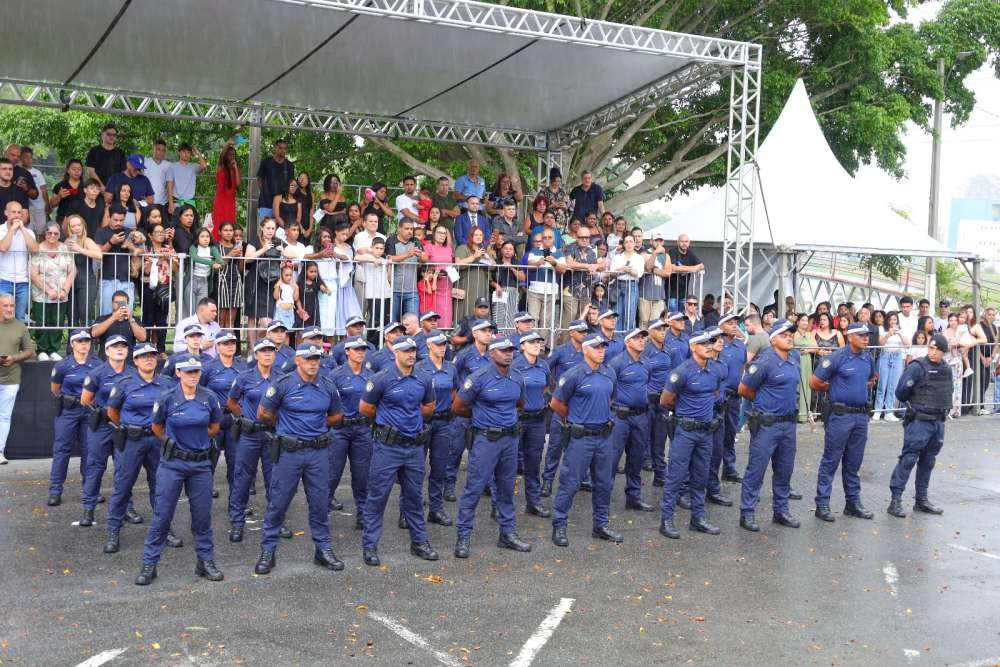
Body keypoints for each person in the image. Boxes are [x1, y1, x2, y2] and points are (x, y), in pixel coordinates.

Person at [253, 342, 345, 575]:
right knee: (278, 502)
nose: (313, 363)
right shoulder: (283, 384)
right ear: (297, 361)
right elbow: (263, 414)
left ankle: (322, 549)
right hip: (289, 452)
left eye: (316, 359)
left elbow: (336, 416)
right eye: (308, 359)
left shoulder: (327, 385)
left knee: (320, 503)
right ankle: (268, 550)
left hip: (318, 452)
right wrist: (288, 428)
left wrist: (313, 427)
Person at [135, 355, 223, 586]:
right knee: (162, 516)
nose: (193, 375)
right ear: (178, 373)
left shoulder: (209, 398)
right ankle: (149, 564)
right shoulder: (167, 398)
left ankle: (205, 561)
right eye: (188, 371)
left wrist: (197, 442)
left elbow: (214, 427)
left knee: (202, 517)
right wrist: (171, 442)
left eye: (196, 371)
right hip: (172, 464)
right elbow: (156, 426)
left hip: (201, 465)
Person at [358, 336, 439, 566]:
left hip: (413, 446)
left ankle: (419, 542)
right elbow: (365, 408)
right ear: (395, 352)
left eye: (413, 350)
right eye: (405, 350)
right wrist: (389, 424)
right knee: (377, 497)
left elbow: (429, 407)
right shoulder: (381, 378)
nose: (411, 354)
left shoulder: (423, 377)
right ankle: (370, 546)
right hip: (388, 447)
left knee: (414, 497)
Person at [451, 336, 530, 558]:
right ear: (492, 353)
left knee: (506, 489)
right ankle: (463, 537)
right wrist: (481, 416)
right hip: (486, 440)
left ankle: (507, 534)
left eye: (511, 350)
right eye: (503, 350)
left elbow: (519, 404)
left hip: (510, 440)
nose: (509, 353)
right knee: (474, 489)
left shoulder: (517, 377)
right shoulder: (478, 378)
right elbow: (458, 407)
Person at [103, 343, 179, 554]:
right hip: (132, 441)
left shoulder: (166, 383)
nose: (149, 359)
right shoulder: (124, 383)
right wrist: (131, 427)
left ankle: (164, 531)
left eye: (152, 356)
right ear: (135, 361)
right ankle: (113, 532)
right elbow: (112, 412)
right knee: (123, 486)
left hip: (157, 441)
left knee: (161, 488)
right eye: (144, 356)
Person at [548, 332, 620, 547]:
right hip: (581, 438)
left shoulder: (609, 373)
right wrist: (576, 418)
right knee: (570, 483)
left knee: (604, 483)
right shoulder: (574, 374)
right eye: (597, 347)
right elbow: (556, 404)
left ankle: (601, 525)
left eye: (603, 347)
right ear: (586, 349)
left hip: (604, 437)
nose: (601, 351)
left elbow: (610, 398)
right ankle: (559, 526)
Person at [656, 330, 723, 538]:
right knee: (675, 476)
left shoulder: (715, 371)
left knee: (701, 476)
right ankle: (666, 520)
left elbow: (714, 393)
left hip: (705, 431)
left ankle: (698, 518)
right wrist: (686, 410)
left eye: (711, 343)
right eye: (704, 344)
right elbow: (665, 400)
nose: (710, 347)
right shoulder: (682, 371)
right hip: (685, 430)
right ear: (693, 347)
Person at [737, 320, 801, 532]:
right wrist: (765, 402)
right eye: (784, 334)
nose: (789, 337)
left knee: (784, 470)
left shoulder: (795, 358)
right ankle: (747, 513)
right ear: (773, 339)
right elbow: (744, 389)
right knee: (756, 470)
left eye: (791, 334)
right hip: (767, 424)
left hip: (788, 425)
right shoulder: (763, 361)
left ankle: (781, 511)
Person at [810, 322, 877, 522]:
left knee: (853, 462)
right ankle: (822, 504)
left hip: (860, 416)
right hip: (840, 415)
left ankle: (852, 503)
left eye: (867, 335)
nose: (866, 338)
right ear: (850, 336)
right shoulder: (837, 357)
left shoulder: (867, 357)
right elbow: (814, 382)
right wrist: (835, 388)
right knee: (831, 460)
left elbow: (872, 379)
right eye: (862, 335)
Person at [887, 334, 953, 518]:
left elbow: (949, 392)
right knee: (908, 459)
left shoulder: (946, 369)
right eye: (931, 348)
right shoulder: (917, 367)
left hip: (938, 421)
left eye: (937, 349)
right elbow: (901, 392)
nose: (933, 352)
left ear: (943, 352)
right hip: (919, 421)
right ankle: (895, 501)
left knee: (928, 461)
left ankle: (921, 500)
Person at [226, 338, 283, 542]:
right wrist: (244, 417)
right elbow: (231, 401)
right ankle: (237, 523)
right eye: (263, 351)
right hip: (249, 434)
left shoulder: (282, 378)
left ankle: (276, 522)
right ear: (256, 354)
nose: (268, 354)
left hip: (272, 434)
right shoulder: (244, 377)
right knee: (242, 479)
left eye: (271, 351)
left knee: (274, 479)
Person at [77, 334, 134, 524]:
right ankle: (88, 509)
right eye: (115, 346)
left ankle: (127, 507)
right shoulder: (97, 373)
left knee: (124, 469)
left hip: (123, 426)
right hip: (101, 427)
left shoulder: (134, 373)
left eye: (123, 347)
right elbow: (85, 400)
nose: (120, 349)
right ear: (107, 351)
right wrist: (102, 412)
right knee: (95, 467)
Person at [49, 331, 102, 502]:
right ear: (72, 344)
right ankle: (55, 491)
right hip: (68, 411)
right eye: (79, 341)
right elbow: (55, 389)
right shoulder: (62, 365)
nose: (84, 344)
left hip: (89, 411)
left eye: (86, 341)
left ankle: (90, 489)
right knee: (62, 450)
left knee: (90, 451)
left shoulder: (97, 364)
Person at [327, 336, 375, 526]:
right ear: (347, 351)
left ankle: (362, 513)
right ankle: (322, 511)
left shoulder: (371, 375)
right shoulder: (335, 375)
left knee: (362, 474)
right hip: (340, 429)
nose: (360, 352)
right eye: (356, 349)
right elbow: (327, 402)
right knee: (332, 472)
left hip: (362, 428)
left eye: (363, 349)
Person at [607, 327, 654, 512]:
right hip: (620, 416)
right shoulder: (617, 363)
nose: (642, 340)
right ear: (628, 342)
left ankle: (634, 497)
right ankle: (604, 497)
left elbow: (646, 383)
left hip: (641, 416)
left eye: (643, 338)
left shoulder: (647, 363)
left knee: (636, 458)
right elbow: (608, 389)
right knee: (612, 458)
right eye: (637, 338)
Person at [510, 331, 552, 517]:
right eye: (532, 342)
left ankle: (533, 502)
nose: (537, 345)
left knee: (533, 463)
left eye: (538, 342)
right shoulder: (515, 366)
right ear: (522, 346)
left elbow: (546, 386)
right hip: (518, 419)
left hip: (537, 420)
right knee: (509, 464)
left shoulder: (543, 365)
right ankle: (500, 504)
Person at [199, 331, 242, 492]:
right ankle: (203, 495)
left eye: (232, 343)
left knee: (236, 461)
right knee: (209, 460)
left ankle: (237, 500)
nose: (230, 346)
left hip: (234, 419)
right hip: (214, 419)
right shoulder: (208, 368)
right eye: (225, 343)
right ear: (217, 346)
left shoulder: (242, 366)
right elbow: (199, 392)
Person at [29, 222, 75, 358]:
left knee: (58, 321)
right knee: (42, 320)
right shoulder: (38, 249)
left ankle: (53, 349)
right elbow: (33, 274)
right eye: (49, 233)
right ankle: (42, 350)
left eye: (56, 233)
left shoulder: (64, 248)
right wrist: (48, 290)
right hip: (41, 293)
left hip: (61, 294)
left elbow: (72, 271)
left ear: (60, 235)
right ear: (45, 233)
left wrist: (65, 290)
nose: (52, 235)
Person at [243, 218, 282, 345]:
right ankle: (252, 349)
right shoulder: (254, 241)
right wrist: (264, 249)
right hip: (255, 282)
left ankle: (259, 345)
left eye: (273, 228)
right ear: (261, 228)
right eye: (268, 228)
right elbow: (247, 259)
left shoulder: (277, 242)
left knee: (267, 322)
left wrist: (284, 252)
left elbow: (293, 254)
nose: (271, 231)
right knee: (252, 317)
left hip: (271, 284)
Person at [560, 225, 603, 334]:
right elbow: (570, 263)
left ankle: (581, 347)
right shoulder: (570, 246)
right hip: (570, 291)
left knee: (583, 323)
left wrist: (595, 267)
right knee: (569, 322)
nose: (584, 239)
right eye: (581, 237)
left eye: (587, 237)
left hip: (586, 291)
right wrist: (589, 266)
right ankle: (566, 347)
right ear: (577, 237)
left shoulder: (593, 249)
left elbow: (603, 264)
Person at [0, 200, 38, 321]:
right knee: (3, 317)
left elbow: (34, 249)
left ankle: (19, 340)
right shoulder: (0, 230)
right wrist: (12, 230)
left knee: (20, 317)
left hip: (23, 282)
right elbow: (3, 247)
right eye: (13, 212)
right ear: (6, 213)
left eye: (19, 212)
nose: (17, 215)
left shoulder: (28, 232)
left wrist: (22, 229)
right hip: (3, 280)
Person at [525, 229, 564, 344]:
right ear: (541, 239)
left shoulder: (559, 253)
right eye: (545, 237)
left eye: (549, 237)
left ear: (554, 239)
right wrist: (538, 263)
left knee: (545, 321)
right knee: (532, 318)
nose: (547, 239)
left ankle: (540, 346)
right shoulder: (534, 250)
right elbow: (529, 265)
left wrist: (554, 263)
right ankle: (532, 343)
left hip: (551, 292)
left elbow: (563, 269)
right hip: (534, 291)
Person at [385, 220, 425, 322]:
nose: (410, 231)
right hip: (394, 290)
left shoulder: (416, 241)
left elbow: (425, 259)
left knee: (413, 323)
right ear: (399, 229)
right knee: (393, 324)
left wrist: (421, 255)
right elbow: (390, 259)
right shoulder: (391, 240)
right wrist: (408, 254)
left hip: (412, 291)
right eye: (407, 229)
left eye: (411, 229)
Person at [90, 290, 147, 359]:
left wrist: (131, 319)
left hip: (128, 363)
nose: (119, 305)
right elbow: (94, 333)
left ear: (127, 304)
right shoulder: (102, 318)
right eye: (116, 302)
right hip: (106, 362)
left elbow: (143, 338)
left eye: (122, 303)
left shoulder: (134, 320)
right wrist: (113, 318)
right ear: (112, 303)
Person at [453, 227, 493, 322]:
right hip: (467, 284)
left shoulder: (484, 251)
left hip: (481, 285)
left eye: (481, 235)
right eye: (476, 235)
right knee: (466, 309)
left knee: (480, 309)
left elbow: (493, 266)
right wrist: (474, 256)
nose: (479, 237)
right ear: (471, 236)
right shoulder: (463, 248)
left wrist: (488, 258)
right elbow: (458, 264)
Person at [873, 310, 905, 422]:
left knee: (893, 386)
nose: (893, 321)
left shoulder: (901, 329)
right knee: (882, 385)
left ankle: (889, 411)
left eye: (895, 319)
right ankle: (877, 410)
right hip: (885, 356)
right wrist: (888, 334)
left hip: (897, 357)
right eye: (890, 319)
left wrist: (899, 333)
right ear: (887, 320)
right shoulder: (882, 329)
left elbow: (907, 343)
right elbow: (880, 343)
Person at [610, 236, 643, 331]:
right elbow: (612, 273)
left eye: (631, 241)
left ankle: (628, 340)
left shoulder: (639, 258)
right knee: (617, 314)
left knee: (630, 315)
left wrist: (629, 271)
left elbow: (639, 273)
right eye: (627, 242)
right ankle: (617, 339)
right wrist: (622, 269)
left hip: (632, 285)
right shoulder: (617, 257)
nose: (629, 244)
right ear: (624, 244)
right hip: (619, 284)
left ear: (634, 243)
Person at [256, 140, 294, 219]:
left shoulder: (289, 165)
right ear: (275, 148)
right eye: (280, 148)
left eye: (285, 148)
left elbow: (291, 183)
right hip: (266, 203)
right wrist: (264, 192)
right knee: (265, 229)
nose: (282, 150)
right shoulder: (266, 162)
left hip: (282, 204)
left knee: (280, 230)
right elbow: (259, 179)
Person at [665, 235, 704, 311]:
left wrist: (684, 268)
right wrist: (691, 269)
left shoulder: (690, 253)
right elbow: (672, 267)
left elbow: (701, 266)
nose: (684, 243)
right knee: (672, 313)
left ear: (689, 243)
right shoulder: (673, 252)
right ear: (678, 242)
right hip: (671, 291)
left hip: (683, 292)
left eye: (686, 241)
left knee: (682, 315)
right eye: (682, 241)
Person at [85, 123, 127, 191]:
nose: (112, 137)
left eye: (114, 135)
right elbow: (90, 171)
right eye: (108, 134)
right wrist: (101, 187)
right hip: (97, 189)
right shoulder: (94, 151)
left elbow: (123, 173)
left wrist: (114, 188)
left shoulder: (120, 152)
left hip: (115, 190)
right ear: (102, 135)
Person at [212, 140, 239, 241]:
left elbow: (238, 183)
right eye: (229, 154)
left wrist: (235, 168)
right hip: (221, 201)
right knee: (219, 224)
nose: (231, 156)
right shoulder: (221, 167)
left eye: (233, 155)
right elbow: (221, 156)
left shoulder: (233, 169)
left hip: (230, 201)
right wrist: (227, 144)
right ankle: (216, 245)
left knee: (230, 224)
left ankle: (228, 245)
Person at [792, 314, 816, 424]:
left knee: (807, 385)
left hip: (807, 360)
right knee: (798, 386)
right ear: (798, 322)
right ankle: (797, 413)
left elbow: (816, 347)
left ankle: (805, 414)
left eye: (806, 320)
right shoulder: (793, 334)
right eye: (802, 320)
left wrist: (807, 350)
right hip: (797, 360)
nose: (805, 323)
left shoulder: (810, 334)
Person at [18, 147, 48, 234]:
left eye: (30, 157)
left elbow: (43, 189)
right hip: (25, 207)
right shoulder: (18, 172)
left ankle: (42, 247)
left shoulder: (37, 172)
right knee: (26, 231)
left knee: (42, 231)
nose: (29, 159)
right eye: (25, 157)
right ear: (20, 158)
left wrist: (47, 204)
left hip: (39, 206)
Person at [144, 139, 171, 208]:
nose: (161, 152)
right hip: (147, 202)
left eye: (163, 150)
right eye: (159, 149)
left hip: (163, 203)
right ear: (154, 149)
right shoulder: (145, 162)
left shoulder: (169, 165)